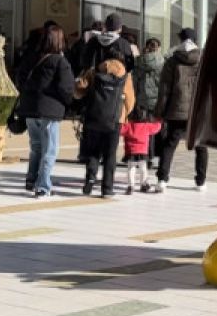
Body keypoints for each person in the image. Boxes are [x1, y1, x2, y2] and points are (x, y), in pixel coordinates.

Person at [17, 24, 75, 198]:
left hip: (29, 109)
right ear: (59, 41)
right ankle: (43, 186)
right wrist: (69, 104)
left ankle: (31, 179)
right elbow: (66, 88)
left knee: (36, 147)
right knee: (50, 149)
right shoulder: (60, 61)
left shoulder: (30, 57)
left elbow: (19, 79)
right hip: (49, 111)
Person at [75, 51, 135, 198]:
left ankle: (90, 178)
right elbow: (130, 100)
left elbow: (78, 92)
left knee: (93, 151)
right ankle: (107, 189)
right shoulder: (126, 75)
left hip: (93, 117)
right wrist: (124, 114)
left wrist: (79, 83)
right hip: (115, 120)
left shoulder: (94, 71)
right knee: (110, 154)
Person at [154, 27, 207, 193]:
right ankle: (201, 181)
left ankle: (162, 179)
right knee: (201, 145)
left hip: (176, 109)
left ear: (180, 40)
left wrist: (159, 111)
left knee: (169, 144)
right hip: (197, 111)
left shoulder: (172, 61)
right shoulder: (203, 59)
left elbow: (164, 89)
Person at [120, 38, 164, 195]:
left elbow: (133, 81)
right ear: (158, 48)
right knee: (148, 131)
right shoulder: (162, 63)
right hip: (154, 103)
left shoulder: (137, 63)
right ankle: (149, 159)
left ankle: (132, 183)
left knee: (140, 129)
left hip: (139, 102)